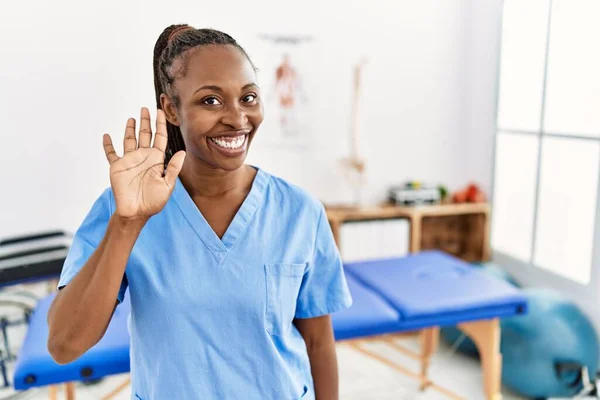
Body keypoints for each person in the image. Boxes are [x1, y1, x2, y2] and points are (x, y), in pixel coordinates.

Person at [46, 24, 353, 400]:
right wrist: (127, 224)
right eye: (211, 101)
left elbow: (319, 345)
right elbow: (64, 345)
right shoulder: (125, 207)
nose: (237, 118)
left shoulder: (299, 211)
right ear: (171, 109)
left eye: (249, 97)